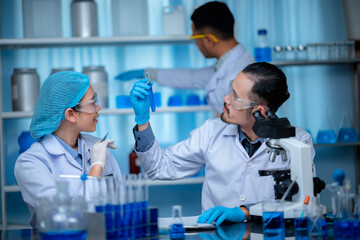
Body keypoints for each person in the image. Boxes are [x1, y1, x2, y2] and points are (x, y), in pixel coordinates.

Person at [129, 62, 315, 225]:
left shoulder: (297, 142)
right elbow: (158, 168)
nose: (226, 99)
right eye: (230, 89)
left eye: (235, 97)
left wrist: (245, 211)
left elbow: (304, 205)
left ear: (259, 111)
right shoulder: (211, 131)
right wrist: (142, 120)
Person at [14, 71, 121, 227]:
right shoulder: (30, 163)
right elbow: (64, 220)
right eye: (92, 102)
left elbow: (121, 201)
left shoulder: (99, 148)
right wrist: (96, 168)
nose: (98, 107)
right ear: (71, 114)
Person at [116, 1, 254, 117]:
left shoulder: (238, 74)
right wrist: (148, 73)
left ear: (209, 40)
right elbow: (192, 77)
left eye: (195, 39)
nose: (197, 45)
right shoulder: (228, 64)